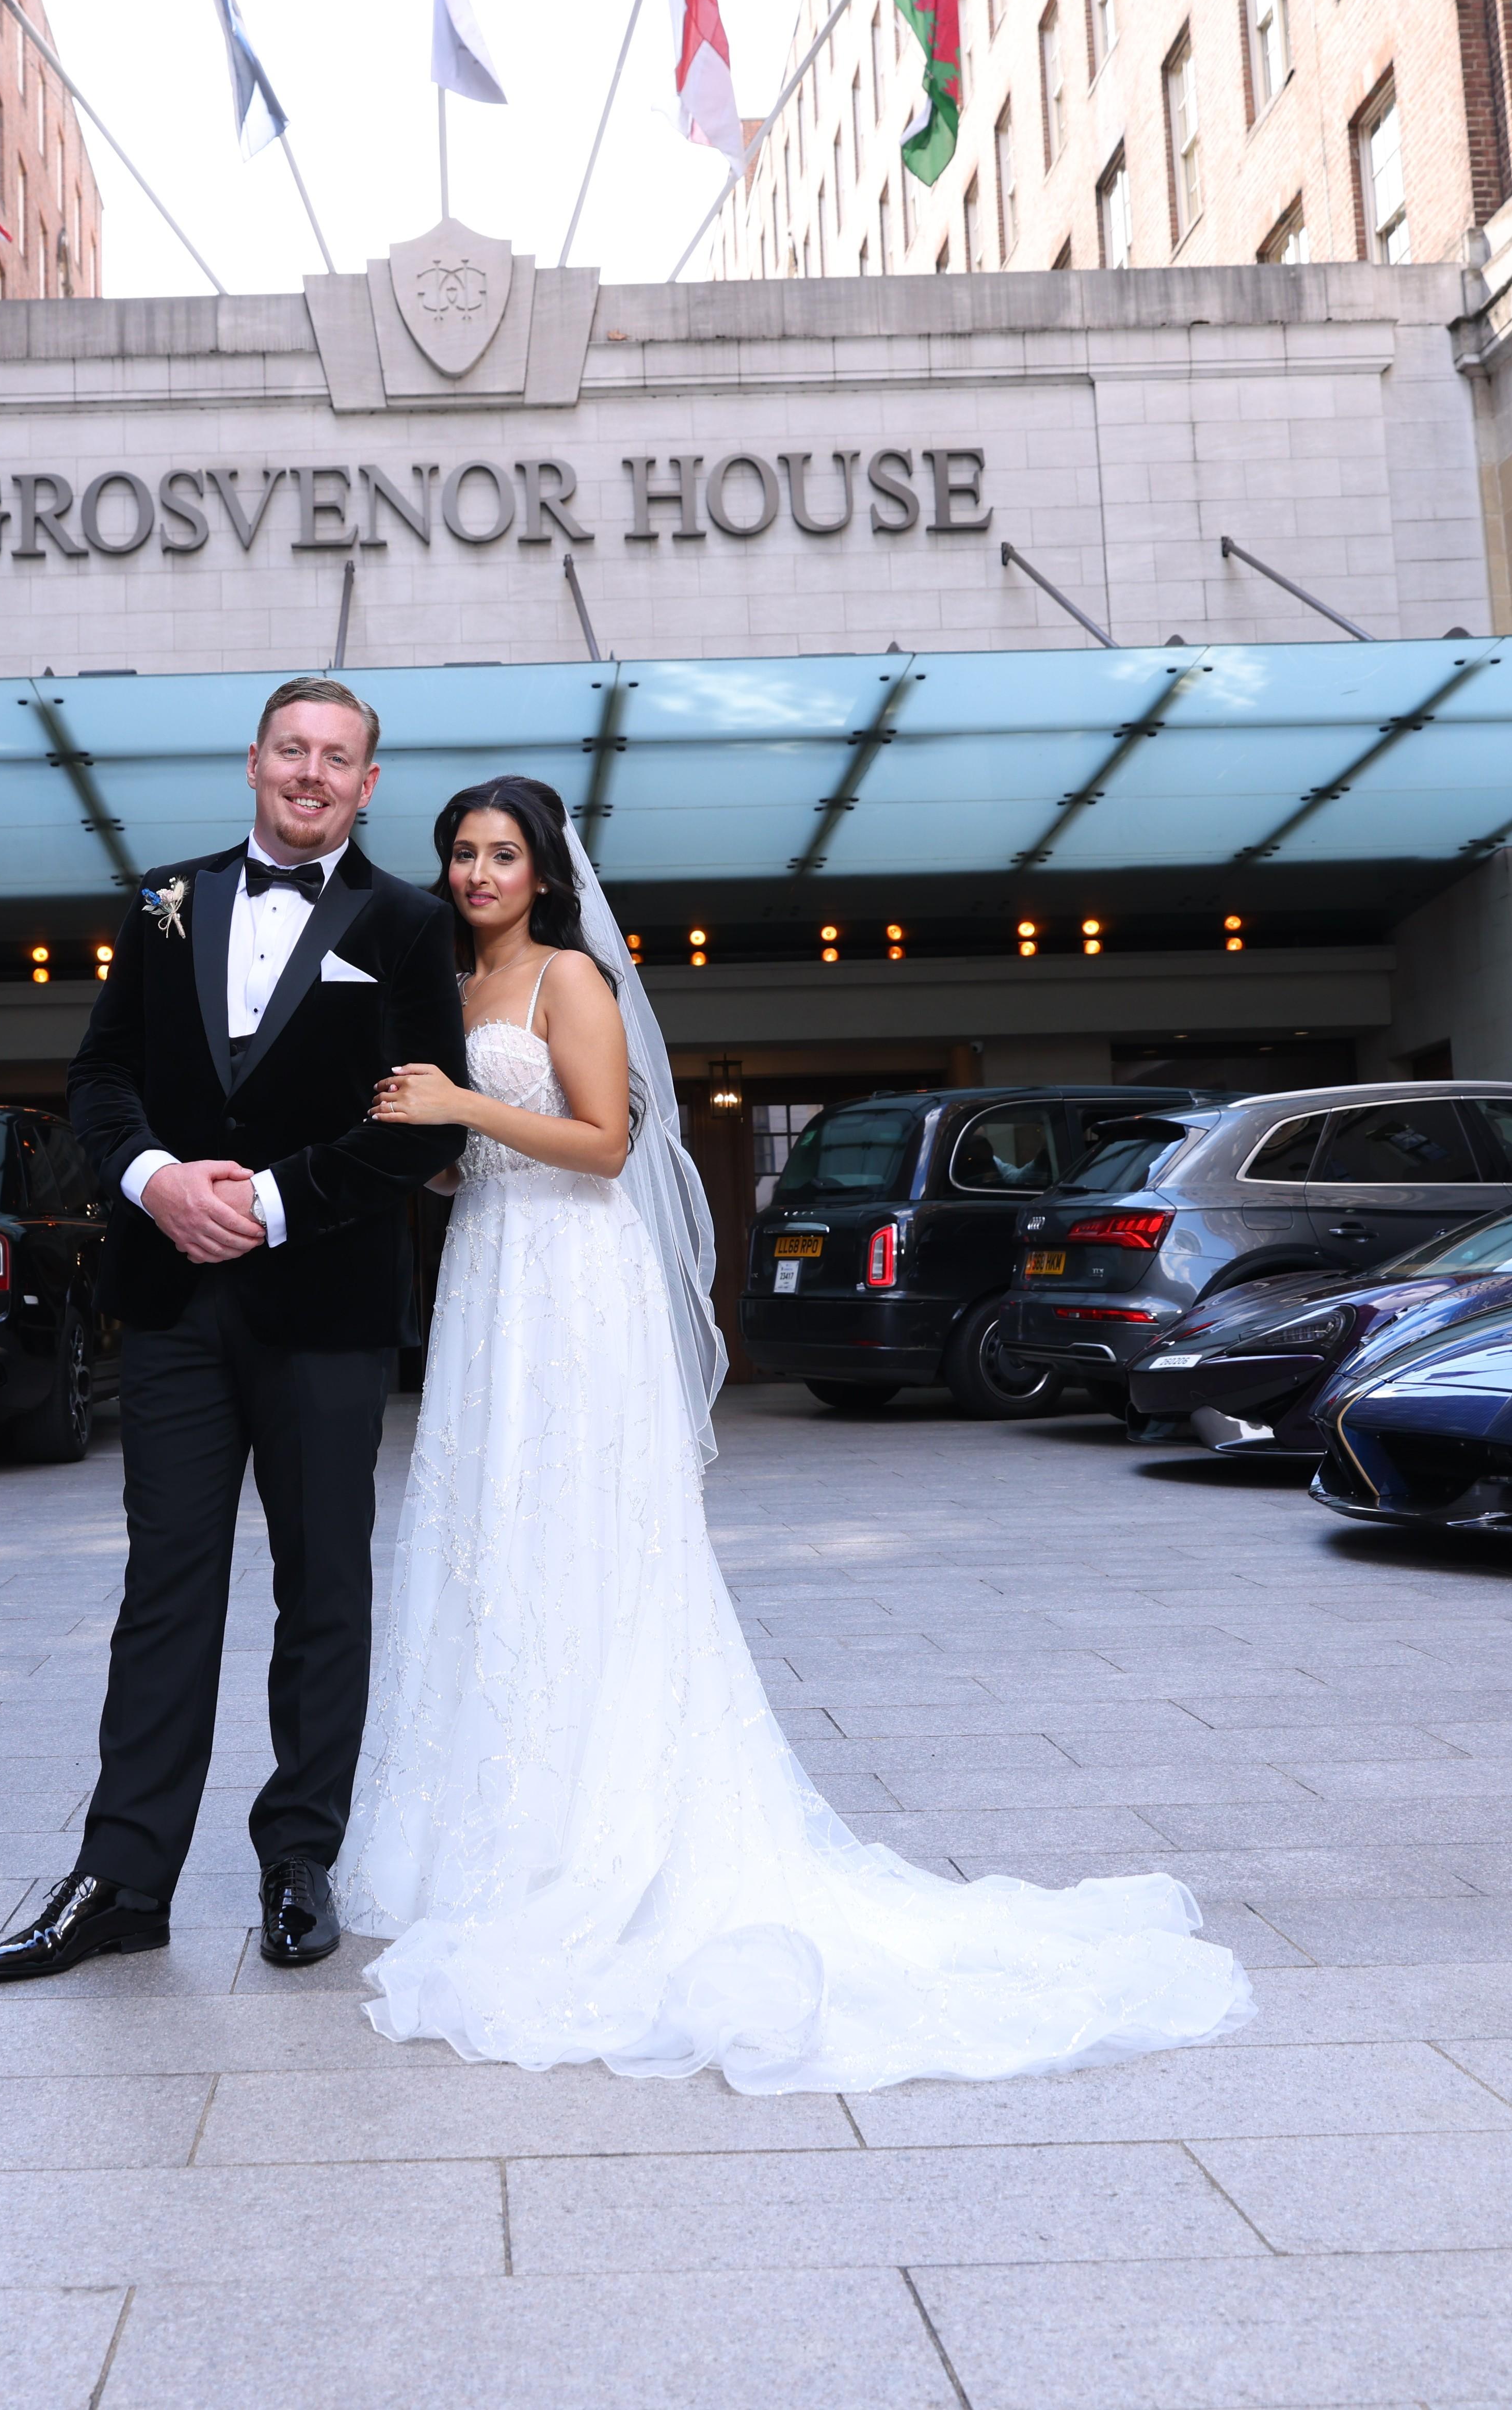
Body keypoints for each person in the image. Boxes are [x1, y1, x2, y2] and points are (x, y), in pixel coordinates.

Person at [337, 776, 1250, 2092]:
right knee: (491, 1533)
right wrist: (425, 1145)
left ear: (545, 872)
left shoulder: (567, 981)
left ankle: (603, 1830)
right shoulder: (446, 982)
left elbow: (600, 1146)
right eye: (463, 853)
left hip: (572, 1284)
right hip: (489, 1273)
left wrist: (465, 1110)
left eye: (503, 854)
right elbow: (463, 1154)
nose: (479, 873)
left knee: (586, 1534)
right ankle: (490, 1825)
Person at [0, 679, 470, 1985]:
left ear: (370, 785)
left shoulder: (411, 925)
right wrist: (155, 1181)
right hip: (177, 1302)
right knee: (164, 1590)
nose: (311, 773)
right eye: (291, 749)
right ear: (254, 761)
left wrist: (276, 1204)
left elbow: (430, 1118)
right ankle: (122, 1879)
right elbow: (100, 1074)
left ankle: (301, 1863)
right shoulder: (160, 900)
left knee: (326, 1591)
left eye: (338, 757)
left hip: (326, 1305)